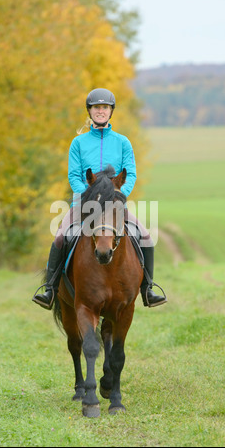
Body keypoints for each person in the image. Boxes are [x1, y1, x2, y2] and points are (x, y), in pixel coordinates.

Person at [32, 88, 167, 310]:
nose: (101, 111)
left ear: (111, 111)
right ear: (90, 111)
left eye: (105, 107)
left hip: (114, 203)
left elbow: (130, 173)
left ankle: (148, 289)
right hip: (86, 204)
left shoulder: (123, 142)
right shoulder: (78, 143)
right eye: (97, 108)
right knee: (59, 237)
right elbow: (74, 176)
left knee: (145, 236)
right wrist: (87, 197)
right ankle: (49, 289)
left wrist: (120, 195)